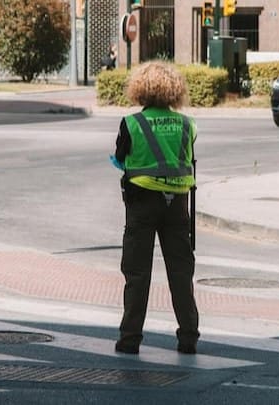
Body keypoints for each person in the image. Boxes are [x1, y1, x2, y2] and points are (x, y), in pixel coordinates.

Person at [112, 61, 199, 355]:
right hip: (178, 205)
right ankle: (188, 337)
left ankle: (130, 339)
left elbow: (120, 159)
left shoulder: (132, 123)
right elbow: (188, 158)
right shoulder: (188, 125)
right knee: (181, 272)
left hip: (142, 202)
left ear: (141, 88)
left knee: (137, 273)